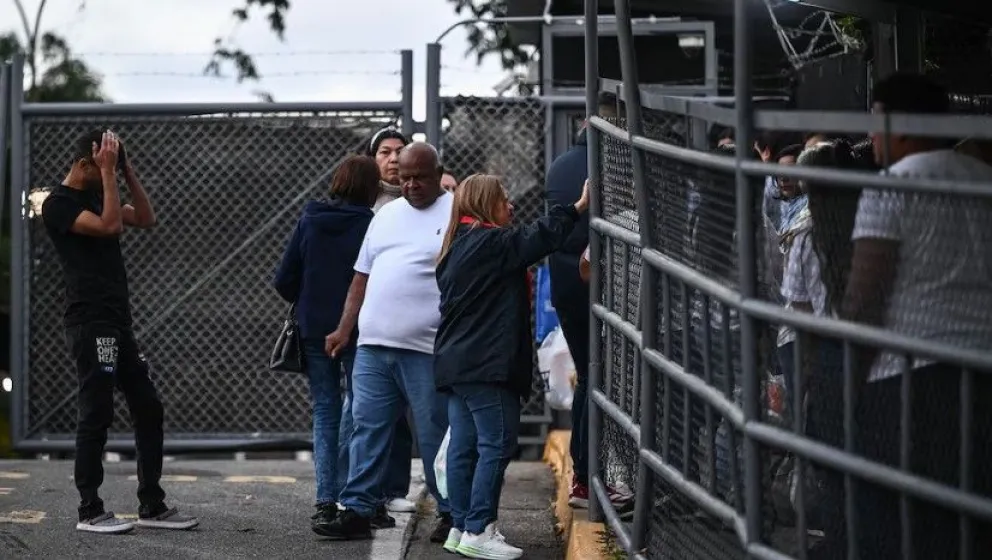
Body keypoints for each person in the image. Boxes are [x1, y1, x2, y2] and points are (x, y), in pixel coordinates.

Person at [843, 72, 992, 557]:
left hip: (909, 381)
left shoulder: (892, 185)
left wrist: (849, 380)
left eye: (875, 122)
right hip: (981, 372)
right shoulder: (983, 178)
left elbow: (865, 295)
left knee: (900, 529)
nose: (870, 136)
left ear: (900, 123)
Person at [41, 130, 198, 534]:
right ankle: (90, 509)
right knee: (97, 409)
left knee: (148, 405)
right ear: (84, 165)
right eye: (103, 167)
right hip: (91, 323)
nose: (107, 175)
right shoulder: (58, 204)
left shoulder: (101, 193)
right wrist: (110, 174)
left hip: (117, 323)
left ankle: (152, 504)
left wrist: (125, 172)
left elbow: (144, 218)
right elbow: (111, 226)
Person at [433, 175, 589, 558]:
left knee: (464, 447)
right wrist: (578, 207)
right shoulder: (490, 243)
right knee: (497, 443)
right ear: (485, 204)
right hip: (486, 365)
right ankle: (478, 529)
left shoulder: (456, 245)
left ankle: (460, 526)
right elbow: (537, 237)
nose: (512, 205)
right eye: (504, 199)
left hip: (457, 363)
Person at [322, 142, 453, 542]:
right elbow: (361, 277)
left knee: (434, 433)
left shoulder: (455, 212)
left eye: (420, 178)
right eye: (406, 178)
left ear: (438, 174)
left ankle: (452, 512)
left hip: (427, 348)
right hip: (373, 346)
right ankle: (358, 509)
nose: (411, 185)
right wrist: (344, 329)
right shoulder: (385, 215)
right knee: (367, 429)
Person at [273, 155, 380, 535]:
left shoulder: (311, 218)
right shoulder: (371, 225)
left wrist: (309, 298)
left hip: (314, 328)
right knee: (361, 406)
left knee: (324, 409)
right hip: (359, 328)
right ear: (371, 187)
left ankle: (324, 501)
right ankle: (357, 496)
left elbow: (284, 278)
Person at [545, 92, 631, 510]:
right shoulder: (614, 163)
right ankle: (590, 474)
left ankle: (586, 475)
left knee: (589, 375)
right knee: (603, 380)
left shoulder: (562, 164)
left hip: (568, 286)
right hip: (604, 285)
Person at [353, 126, 418, 518]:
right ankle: (362, 491)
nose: (393, 159)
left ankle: (393, 488)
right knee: (369, 414)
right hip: (369, 322)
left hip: (410, 324)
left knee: (403, 413)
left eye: (399, 151)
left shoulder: (420, 200)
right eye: (385, 152)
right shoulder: (362, 204)